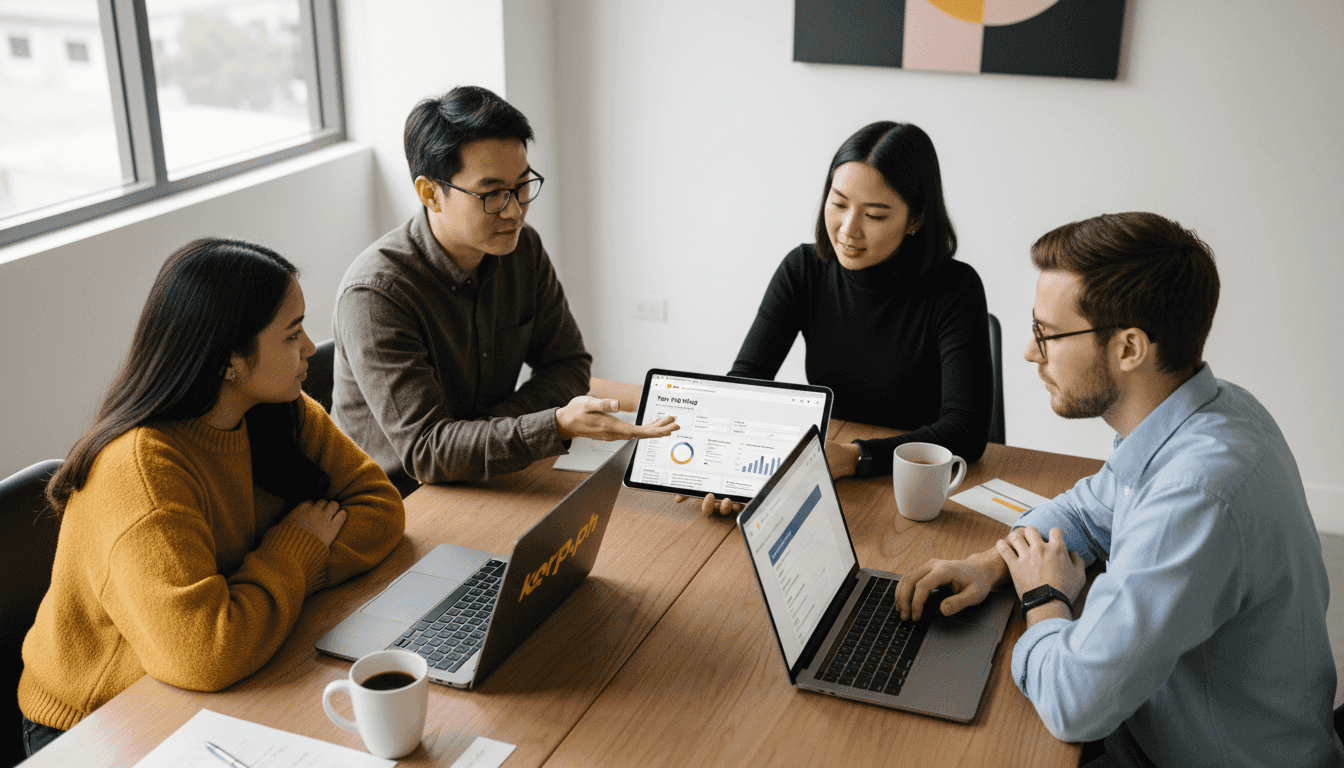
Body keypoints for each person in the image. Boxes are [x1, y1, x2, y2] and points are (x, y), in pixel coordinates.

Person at [893, 213, 1343, 767]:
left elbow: (1075, 704)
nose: (1032, 354)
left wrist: (1042, 596)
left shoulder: (1195, 494)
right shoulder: (1208, 410)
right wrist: (993, 565)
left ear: (1129, 348)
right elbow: (1087, 509)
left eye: (1047, 335)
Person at [18, 239, 405, 758]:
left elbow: (381, 507)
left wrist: (277, 580)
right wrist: (292, 550)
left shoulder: (278, 408)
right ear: (229, 362)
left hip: (217, 683)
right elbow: (207, 654)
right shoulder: (141, 471)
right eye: (292, 334)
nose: (311, 347)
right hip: (97, 723)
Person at [333, 86, 675, 493]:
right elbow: (427, 451)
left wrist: (490, 430)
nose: (514, 211)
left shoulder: (521, 249)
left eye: (522, 185)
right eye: (492, 193)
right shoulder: (376, 295)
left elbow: (569, 364)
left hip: (490, 471)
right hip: (399, 499)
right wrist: (551, 424)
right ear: (430, 193)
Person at [692, 122, 992, 516]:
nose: (849, 230)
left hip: (918, 491)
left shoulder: (956, 288)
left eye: (875, 215)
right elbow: (747, 379)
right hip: (832, 484)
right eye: (838, 203)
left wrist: (853, 458)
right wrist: (721, 461)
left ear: (915, 219)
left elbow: (966, 430)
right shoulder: (804, 269)